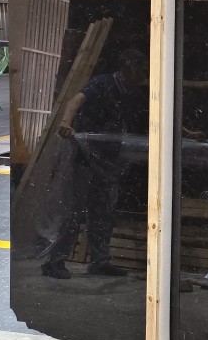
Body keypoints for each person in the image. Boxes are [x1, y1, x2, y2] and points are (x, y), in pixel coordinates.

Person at [41, 48, 148, 279]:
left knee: (103, 211)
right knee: (73, 210)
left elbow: (156, 115)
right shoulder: (102, 84)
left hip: (108, 160)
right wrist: (66, 123)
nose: (144, 75)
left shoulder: (134, 94)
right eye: (141, 70)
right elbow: (75, 101)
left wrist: (186, 132)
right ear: (128, 68)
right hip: (84, 157)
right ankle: (54, 261)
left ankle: (100, 261)